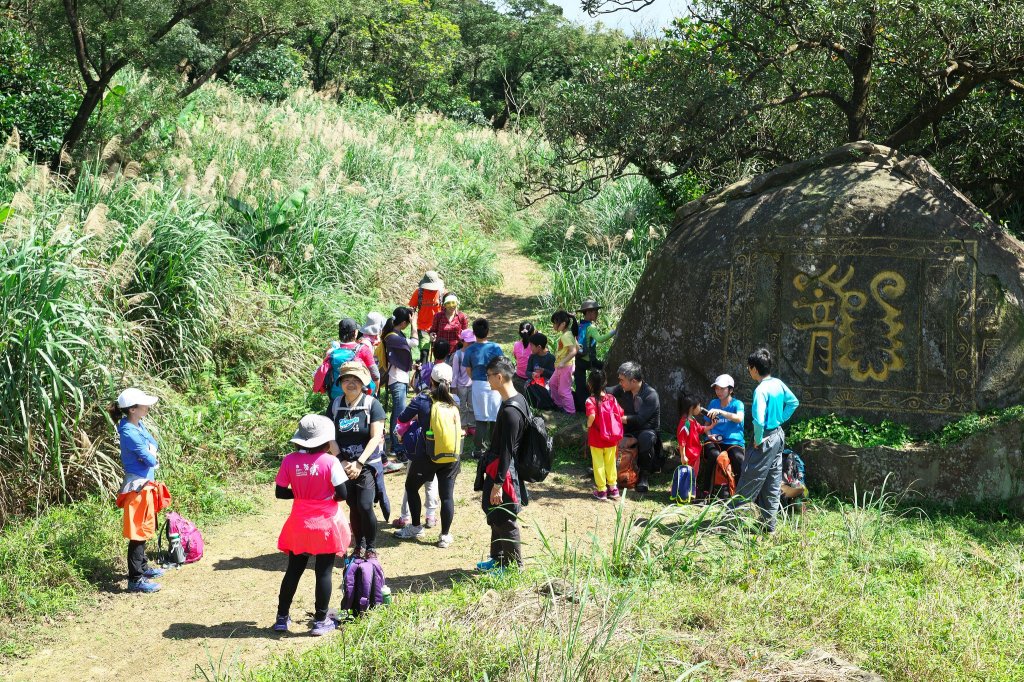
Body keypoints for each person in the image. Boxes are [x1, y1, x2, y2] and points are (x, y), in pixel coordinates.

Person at [273, 415, 351, 636]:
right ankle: (319, 621)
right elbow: (343, 494)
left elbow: (280, 492)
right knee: (323, 572)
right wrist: (323, 496)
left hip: (299, 523)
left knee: (293, 571)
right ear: (327, 443)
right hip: (325, 525)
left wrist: (300, 494)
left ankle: (281, 618)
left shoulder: (289, 460)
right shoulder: (331, 462)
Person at [731, 348, 800, 532]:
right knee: (772, 480)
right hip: (778, 436)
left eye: (749, 367)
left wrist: (758, 438)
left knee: (749, 478)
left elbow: (759, 420)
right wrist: (781, 420)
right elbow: (794, 402)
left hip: (766, 438)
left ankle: (730, 523)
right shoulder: (778, 383)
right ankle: (768, 524)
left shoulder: (761, 390)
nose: (748, 370)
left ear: (754, 369)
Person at [395, 363, 462, 548]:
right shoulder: (454, 400)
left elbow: (402, 418)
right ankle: (445, 535)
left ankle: (416, 527)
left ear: (430, 380)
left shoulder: (423, 400)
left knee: (411, 487)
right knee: (447, 496)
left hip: (427, 454)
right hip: (451, 455)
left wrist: (418, 419)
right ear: (450, 381)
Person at [326, 362, 388, 558]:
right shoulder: (335, 405)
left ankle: (370, 547)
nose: (350, 383)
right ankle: (359, 545)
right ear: (340, 383)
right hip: (343, 462)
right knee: (353, 504)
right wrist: (342, 461)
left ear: (363, 383)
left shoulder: (372, 404)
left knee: (365, 504)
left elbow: (376, 437)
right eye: (346, 379)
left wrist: (359, 463)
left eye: (355, 380)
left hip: (367, 463)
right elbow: (330, 437)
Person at [111, 388, 168, 594]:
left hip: (145, 485)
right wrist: (151, 455)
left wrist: (150, 453)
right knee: (137, 533)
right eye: (144, 404)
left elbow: (152, 447)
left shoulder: (137, 424)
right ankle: (135, 579)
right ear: (133, 409)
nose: (148, 407)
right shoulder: (128, 431)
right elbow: (152, 458)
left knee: (144, 528)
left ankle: (143, 567)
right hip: (137, 487)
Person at [477, 356, 528, 571]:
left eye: (489, 376)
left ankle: (513, 566)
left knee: (505, 517)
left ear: (499, 377)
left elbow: (508, 450)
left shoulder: (511, 411)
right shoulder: (515, 400)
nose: (487, 380)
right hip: (499, 467)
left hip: (504, 471)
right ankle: (497, 558)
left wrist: (498, 483)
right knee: (494, 513)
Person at [608, 362, 661, 493]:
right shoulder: (623, 389)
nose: (620, 383)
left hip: (646, 430)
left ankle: (644, 476)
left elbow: (639, 420)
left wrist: (615, 418)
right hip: (627, 430)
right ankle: (603, 468)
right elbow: (606, 391)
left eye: (622, 380)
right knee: (607, 429)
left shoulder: (650, 395)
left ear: (634, 381)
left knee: (646, 437)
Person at [698, 374, 745, 500]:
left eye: (722, 388)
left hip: (733, 441)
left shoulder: (737, 404)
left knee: (738, 457)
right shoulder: (713, 403)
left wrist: (721, 412)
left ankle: (741, 495)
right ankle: (705, 492)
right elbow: (706, 424)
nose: (718, 391)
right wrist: (709, 435)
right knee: (713, 454)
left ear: (731, 390)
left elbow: (739, 418)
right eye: (717, 388)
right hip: (715, 439)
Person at [462, 318, 504, 459]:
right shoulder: (496, 348)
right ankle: (494, 448)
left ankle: (478, 450)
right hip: (494, 384)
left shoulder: (470, 349)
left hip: (478, 385)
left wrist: (474, 378)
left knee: (480, 418)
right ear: (488, 331)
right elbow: (502, 367)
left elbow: (468, 370)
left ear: (474, 333)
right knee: (494, 417)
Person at [382, 307, 415, 465]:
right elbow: (414, 342)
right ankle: (396, 445)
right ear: (403, 323)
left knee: (398, 412)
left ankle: (396, 443)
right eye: (408, 323)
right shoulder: (392, 337)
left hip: (400, 378)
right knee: (399, 413)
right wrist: (415, 325)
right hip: (396, 380)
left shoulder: (396, 334)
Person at [585, 369, 623, 501]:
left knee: (598, 463)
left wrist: (588, 425)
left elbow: (592, 416)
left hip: (596, 438)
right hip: (611, 438)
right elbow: (620, 413)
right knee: (610, 462)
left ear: (590, 383)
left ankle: (601, 490)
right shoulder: (612, 398)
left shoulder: (590, 400)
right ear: (605, 382)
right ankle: (613, 488)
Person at [573, 300, 616, 412]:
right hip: (589, 360)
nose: (597, 314)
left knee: (580, 385)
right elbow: (600, 339)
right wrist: (614, 332)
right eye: (596, 312)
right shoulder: (591, 327)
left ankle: (581, 408)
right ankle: (600, 400)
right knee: (604, 371)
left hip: (578, 359)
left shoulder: (580, 325)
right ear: (589, 313)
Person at [325, 317, 379, 399]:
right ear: (355, 332)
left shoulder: (332, 352)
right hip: (358, 395)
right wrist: (375, 391)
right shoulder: (363, 350)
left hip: (336, 396)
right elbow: (375, 375)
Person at [409, 271, 446, 363]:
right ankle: (423, 373)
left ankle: (436, 374)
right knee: (424, 353)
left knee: (438, 353)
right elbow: (412, 307)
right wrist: (412, 317)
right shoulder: (419, 293)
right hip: (423, 327)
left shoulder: (442, 293)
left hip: (438, 328)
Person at [549, 310, 579, 414]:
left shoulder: (566, 336)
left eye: (555, 323)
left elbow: (573, 351)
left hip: (565, 367)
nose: (553, 325)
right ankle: (559, 405)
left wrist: (563, 362)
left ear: (563, 324)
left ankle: (570, 411)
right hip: (561, 366)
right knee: (552, 383)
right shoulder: (568, 333)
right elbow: (577, 348)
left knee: (563, 390)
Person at [451, 329, 476, 438]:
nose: (470, 344)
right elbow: (455, 373)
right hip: (461, 385)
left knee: (471, 406)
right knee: (461, 407)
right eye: (468, 342)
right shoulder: (458, 355)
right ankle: (462, 425)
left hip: (472, 384)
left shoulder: (475, 353)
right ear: (462, 341)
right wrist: (453, 386)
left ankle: (472, 426)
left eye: (472, 342)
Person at [676, 392, 708, 477]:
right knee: (686, 475)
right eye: (699, 405)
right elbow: (682, 442)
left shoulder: (692, 419)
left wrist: (712, 425)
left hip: (695, 453)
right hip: (689, 455)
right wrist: (683, 456)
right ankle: (682, 489)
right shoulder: (685, 423)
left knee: (693, 474)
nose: (700, 408)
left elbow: (701, 429)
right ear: (691, 408)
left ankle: (691, 488)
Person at [524, 332, 556, 410]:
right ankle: (532, 404)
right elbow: (527, 372)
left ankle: (544, 404)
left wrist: (544, 371)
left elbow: (554, 375)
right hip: (534, 381)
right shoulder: (532, 357)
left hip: (546, 382)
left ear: (539, 347)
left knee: (547, 388)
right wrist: (532, 374)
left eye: (531, 345)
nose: (530, 348)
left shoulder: (551, 358)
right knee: (527, 385)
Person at [512, 322, 535, 393]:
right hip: (531, 376)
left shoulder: (516, 345)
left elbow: (516, 358)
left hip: (519, 374)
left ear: (519, 333)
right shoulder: (535, 346)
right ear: (533, 333)